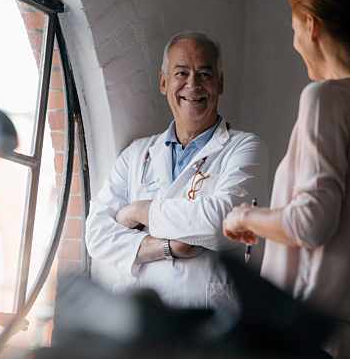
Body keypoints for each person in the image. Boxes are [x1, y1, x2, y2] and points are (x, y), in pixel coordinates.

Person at [222, 0, 350, 359]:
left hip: (318, 345)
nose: (294, 42)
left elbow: (310, 223)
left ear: (311, 25)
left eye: (294, 30)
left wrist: (245, 216)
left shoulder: (324, 98)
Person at [86, 30, 268, 309]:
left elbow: (222, 223)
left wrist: (136, 211)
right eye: (181, 73)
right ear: (163, 82)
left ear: (220, 84)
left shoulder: (244, 147)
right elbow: (97, 235)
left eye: (205, 74)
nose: (192, 84)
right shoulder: (137, 153)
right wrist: (169, 247)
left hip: (206, 317)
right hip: (140, 315)